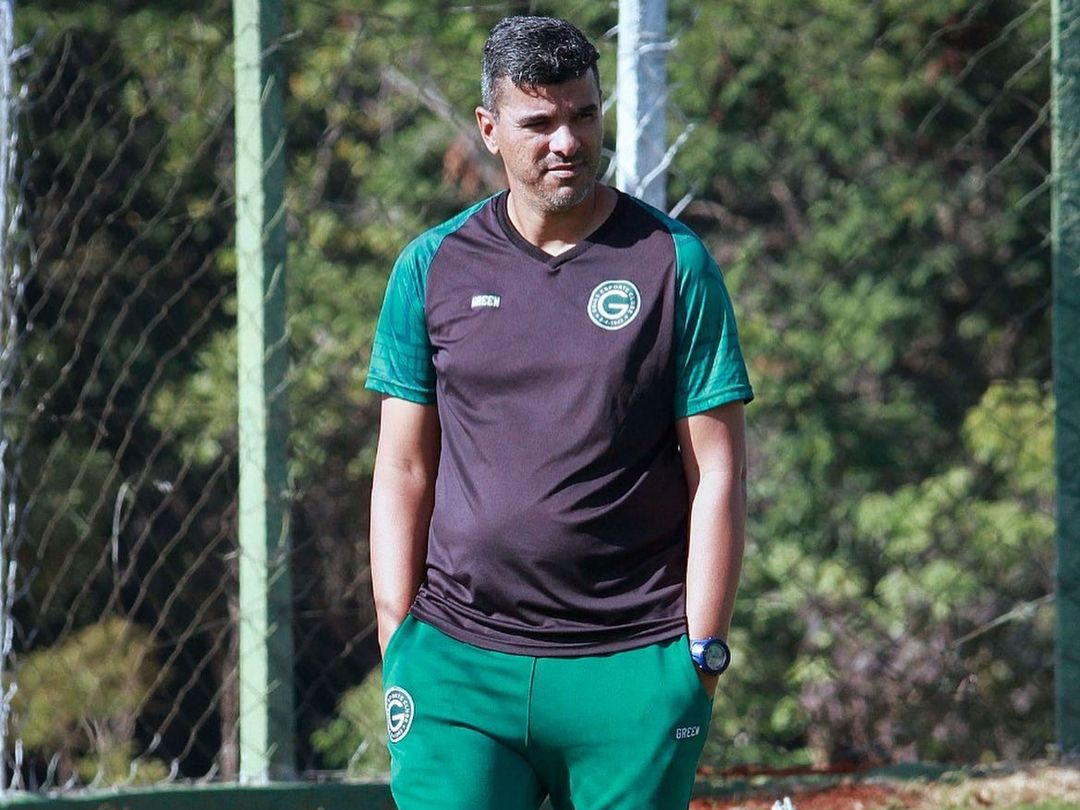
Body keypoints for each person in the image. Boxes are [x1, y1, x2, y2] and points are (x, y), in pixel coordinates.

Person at [365, 15, 753, 810]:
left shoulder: (674, 264)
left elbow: (718, 471)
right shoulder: (432, 267)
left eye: (583, 115)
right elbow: (403, 468)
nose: (567, 142)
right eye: (539, 123)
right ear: (490, 129)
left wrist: (701, 655)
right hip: (457, 670)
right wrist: (398, 635)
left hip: (631, 668)